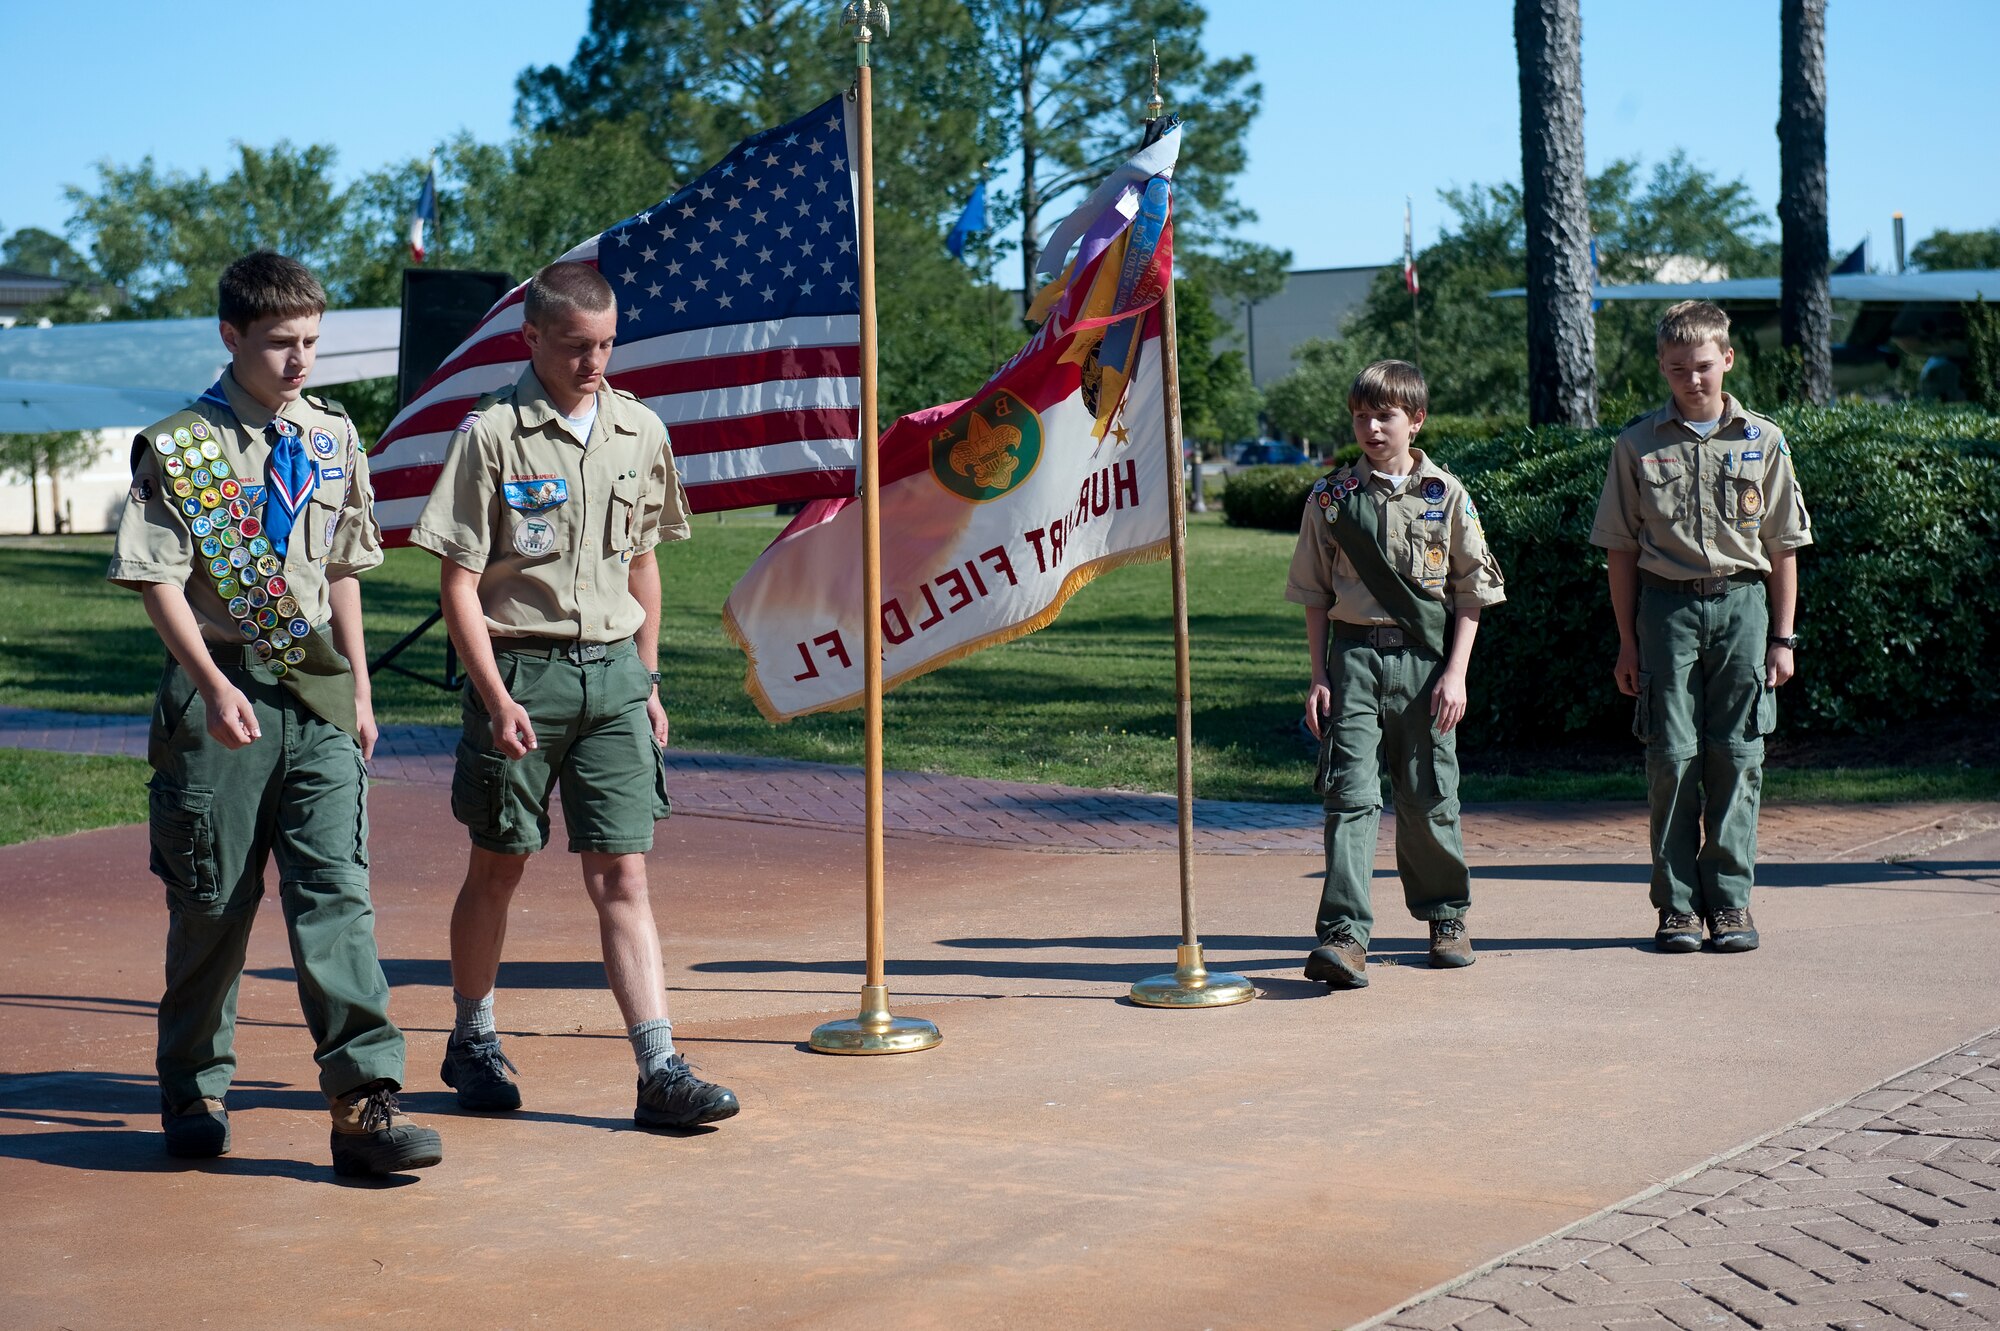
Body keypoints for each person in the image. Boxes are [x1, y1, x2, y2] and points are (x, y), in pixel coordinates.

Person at [107, 251, 443, 1177]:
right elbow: (156, 579)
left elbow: (341, 571)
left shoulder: (334, 437)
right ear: (231, 335)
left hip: (320, 694)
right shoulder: (183, 445)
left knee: (337, 893)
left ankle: (365, 1102)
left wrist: (363, 690)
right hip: (219, 694)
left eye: (311, 343)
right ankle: (194, 1087)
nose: (301, 361)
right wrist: (211, 685)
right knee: (213, 901)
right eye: (281, 344)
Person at [409, 261, 739, 1129]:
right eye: (576, 346)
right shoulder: (490, 435)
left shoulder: (639, 430)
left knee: (623, 872)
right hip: (519, 673)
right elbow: (458, 584)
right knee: (499, 864)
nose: (594, 362)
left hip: (616, 679)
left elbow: (644, 563)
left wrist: (650, 673)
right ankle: (472, 1037)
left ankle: (659, 1068)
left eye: (605, 345)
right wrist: (494, 694)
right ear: (533, 340)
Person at [1590, 300, 1811, 954]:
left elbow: (1783, 546)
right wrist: (1627, 640)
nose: (1693, 379)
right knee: (1671, 756)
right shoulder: (1635, 445)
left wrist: (1782, 636)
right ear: (1662, 366)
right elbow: (1619, 551)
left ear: (1728, 361)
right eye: (1679, 367)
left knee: (1739, 756)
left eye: (1704, 366)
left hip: (1744, 608)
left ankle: (1731, 901)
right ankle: (1679, 906)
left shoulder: (1763, 440)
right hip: (1667, 610)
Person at [1286, 360, 1507, 989]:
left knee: (1428, 794)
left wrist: (1456, 674)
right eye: (1361, 416)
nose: (1371, 427)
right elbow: (1313, 594)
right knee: (1349, 797)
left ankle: (1445, 917)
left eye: (1384, 416)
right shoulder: (1332, 501)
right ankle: (1344, 937)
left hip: (1425, 665)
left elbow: (1471, 593)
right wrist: (1318, 676)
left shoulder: (1447, 495)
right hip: (1353, 660)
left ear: (1416, 420)